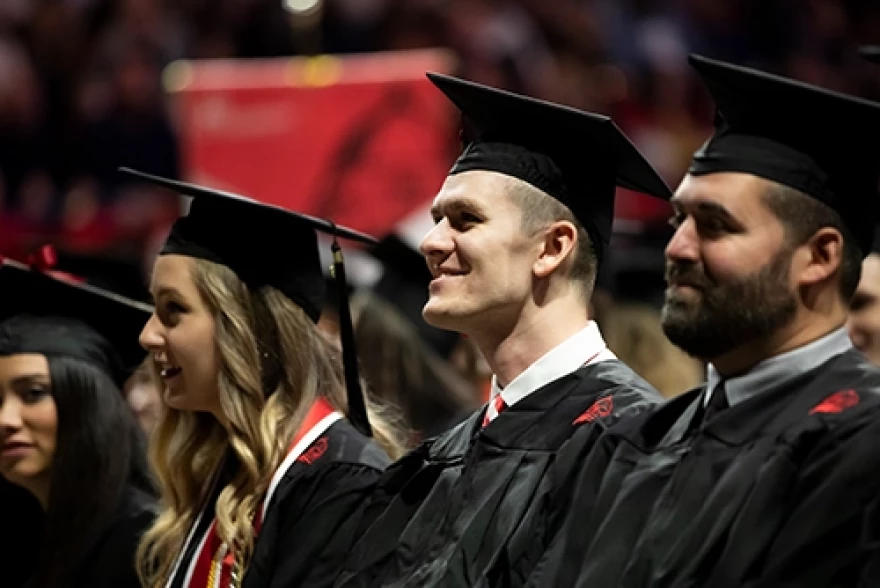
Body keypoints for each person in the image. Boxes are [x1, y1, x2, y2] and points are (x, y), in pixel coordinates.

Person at [522, 54, 880, 588]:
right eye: (679, 220)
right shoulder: (635, 438)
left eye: (715, 226)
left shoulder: (862, 444)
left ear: (820, 257)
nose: (678, 247)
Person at [335, 73, 672, 587]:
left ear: (552, 248)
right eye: (436, 219)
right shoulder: (448, 450)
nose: (430, 241)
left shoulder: (631, 443)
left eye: (464, 220)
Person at [119, 168, 404, 588]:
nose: (147, 335)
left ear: (244, 328)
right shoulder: (226, 463)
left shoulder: (341, 481)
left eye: (173, 310)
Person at [0, 259, 157, 587]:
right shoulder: (33, 541)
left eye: (33, 393)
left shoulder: (143, 545)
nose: (5, 420)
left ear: (89, 403)